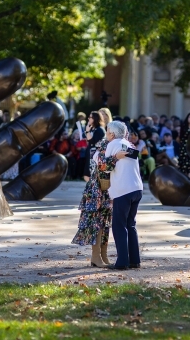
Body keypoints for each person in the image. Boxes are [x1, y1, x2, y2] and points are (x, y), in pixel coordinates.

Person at [72, 113, 113, 267]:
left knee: (105, 222)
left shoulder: (105, 137)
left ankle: (102, 255)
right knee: (98, 221)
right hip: (97, 186)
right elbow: (102, 163)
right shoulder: (105, 144)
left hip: (104, 187)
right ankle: (96, 257)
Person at [102, 121, 143, 270]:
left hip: (123, 190)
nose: (106, 135)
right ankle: (134, 260)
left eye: (107, 132)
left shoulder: (112, 144)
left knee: (119, 226)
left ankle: (122, 262)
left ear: (112, 134)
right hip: (136, 188)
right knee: (130, 225)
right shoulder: (129, 144)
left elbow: (105, 168)